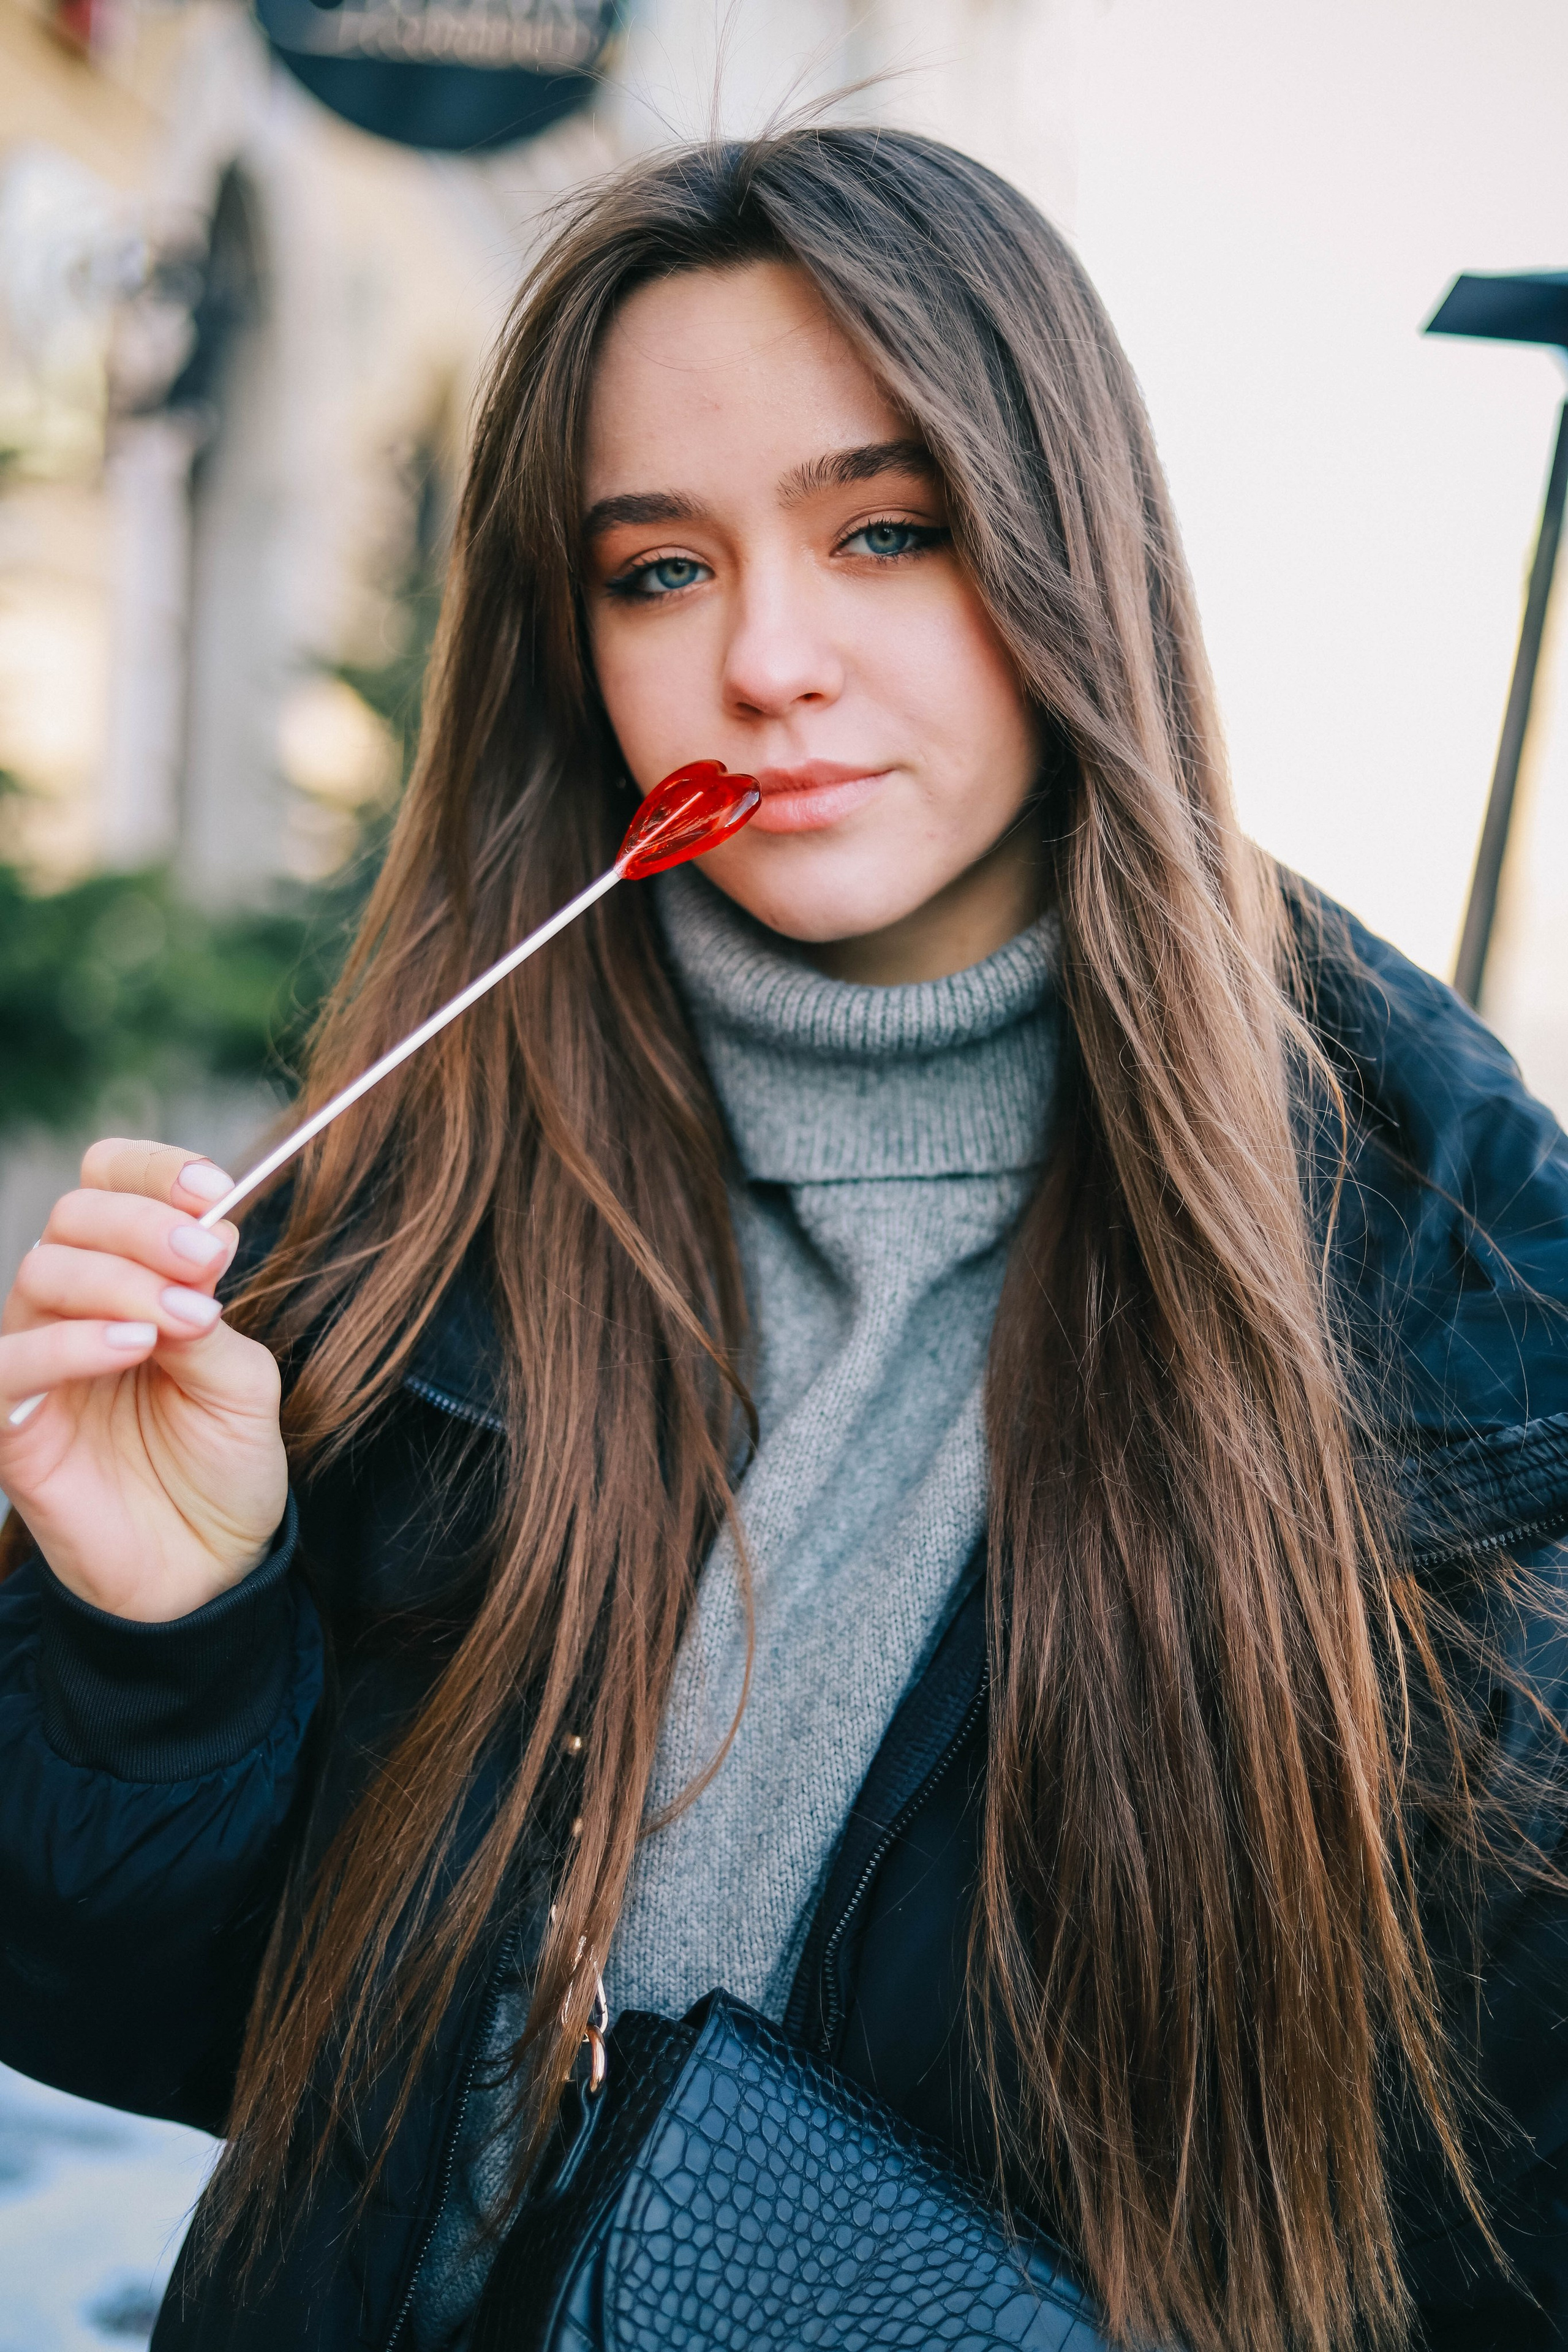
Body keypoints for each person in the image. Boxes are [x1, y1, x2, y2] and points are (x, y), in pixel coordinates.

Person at [2, 128, 1566, 2352]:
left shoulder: (1469, 1350)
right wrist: (161, 1636)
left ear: (1069, 550)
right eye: (656, 570)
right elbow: (166, 2033)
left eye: (885, 530)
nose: (768, 661)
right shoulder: (424, 1213)